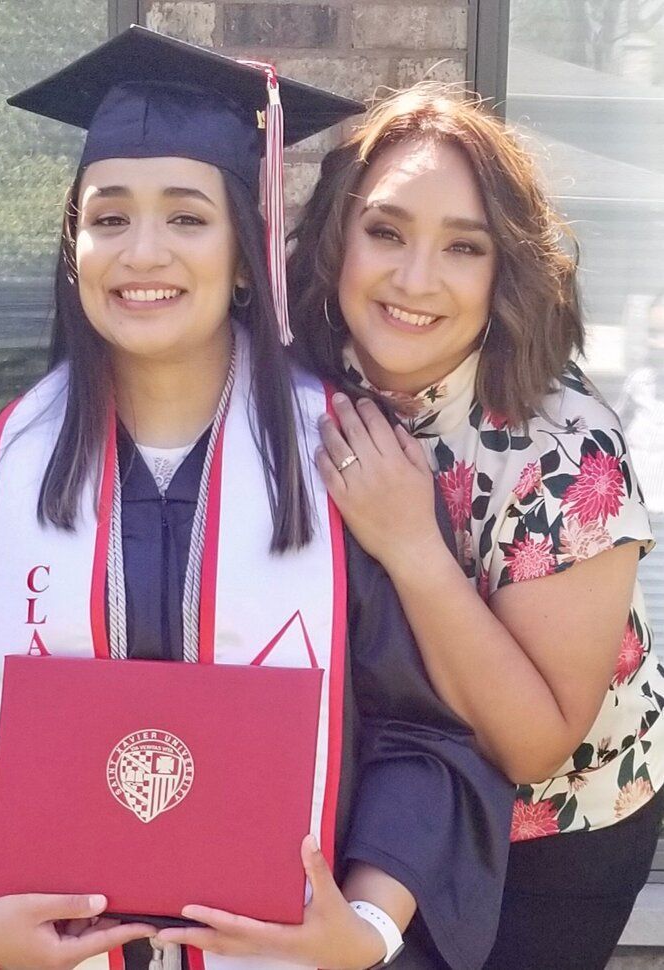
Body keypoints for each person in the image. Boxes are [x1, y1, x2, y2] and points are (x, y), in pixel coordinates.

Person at [0, 31, 513, 970]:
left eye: (187, 218)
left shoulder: (347, 463)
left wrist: (367, 927)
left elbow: (428, 735)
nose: (141, 251)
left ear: (246, 252)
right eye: (108, 219)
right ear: (75, 247)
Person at [282, 88, 664, 970]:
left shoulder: (566, 449)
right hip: (372, 804)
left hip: (547, 836)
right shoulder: (292, 384)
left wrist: (411, 543)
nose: (415, 280)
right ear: (339, 237)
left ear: (507, 269)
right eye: (385, 232)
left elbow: (532, 741)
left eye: (464, 245)